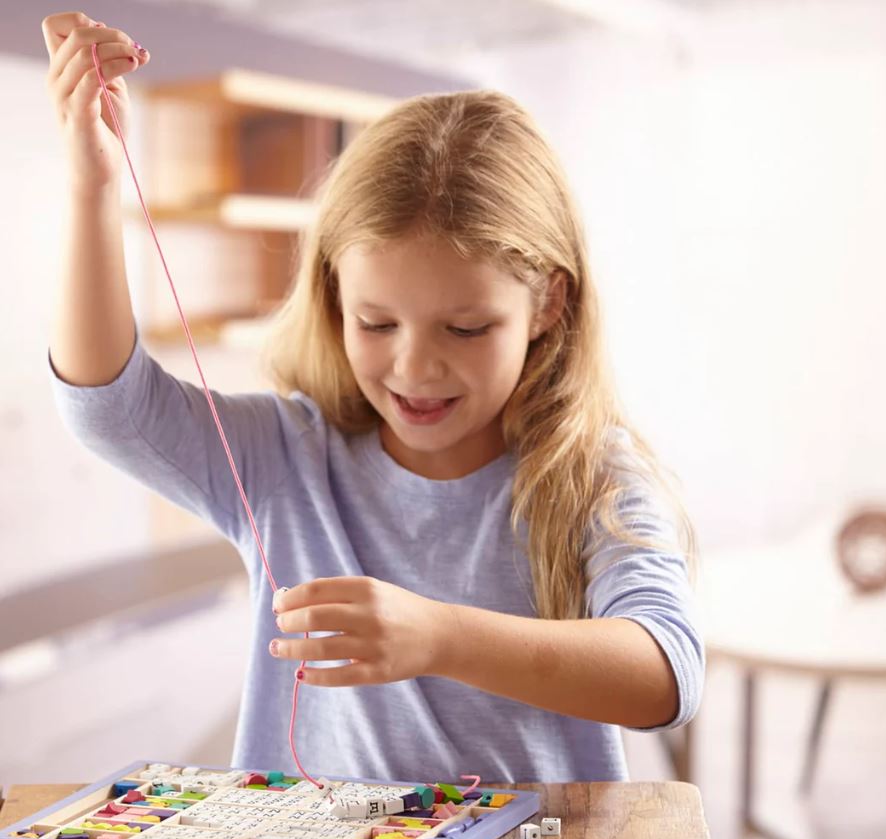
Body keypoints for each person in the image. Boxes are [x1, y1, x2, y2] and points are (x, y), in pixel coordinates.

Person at [42, 10, 704, 783]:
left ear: (548, 305)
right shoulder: (284, 462)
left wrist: (441, 637)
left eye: (464, 328)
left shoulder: (589, 474)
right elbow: (109, 408)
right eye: (377, 322)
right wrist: (91, 188)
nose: (414, 368)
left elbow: (666, 672)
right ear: (332, 300)